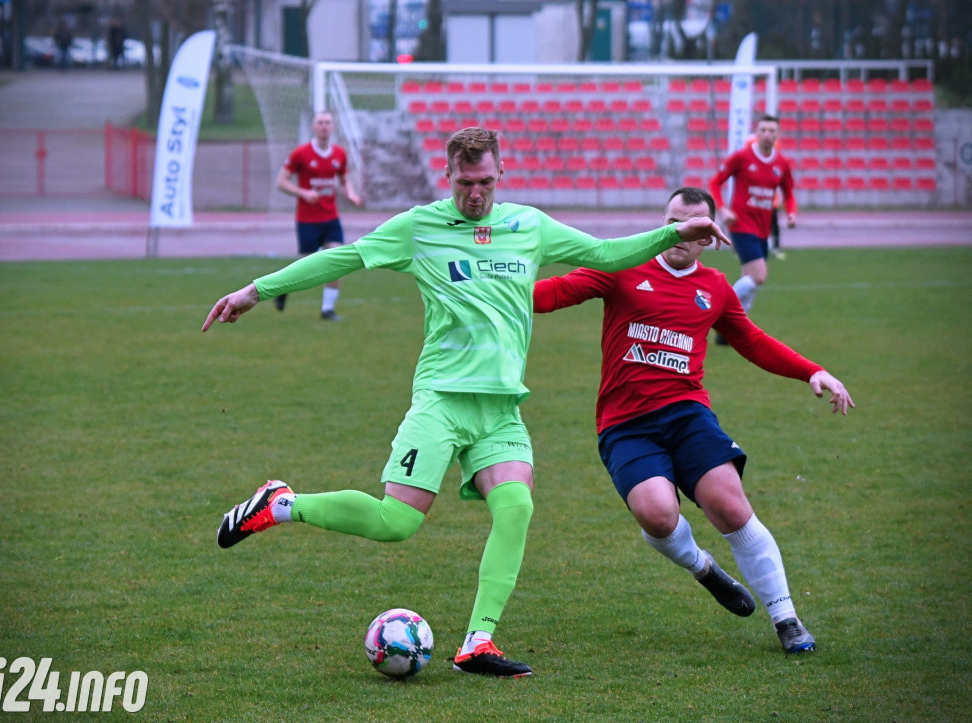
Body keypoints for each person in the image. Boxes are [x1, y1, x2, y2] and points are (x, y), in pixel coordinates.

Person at [202, 129, 730, 678]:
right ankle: (281, 503)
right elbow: (345, 258)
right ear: (448, 175)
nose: (475, 194)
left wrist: (674, 231)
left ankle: (478, 642)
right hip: (442, 399)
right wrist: (256, 291)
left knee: (516, 507)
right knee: (396, 522)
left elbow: (603, 253)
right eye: (464, 183)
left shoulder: (528, 225)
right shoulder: (420, 227)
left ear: (500, 174)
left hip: (500, 407)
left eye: (484, 182)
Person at [533, 186, 854, 654]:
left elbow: (752, 342)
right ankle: (703, 567)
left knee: (730, 506)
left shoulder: (715, 288)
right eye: (671, 222)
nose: (678, 232)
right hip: (626, 423)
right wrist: (493, 286)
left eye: (690, 226)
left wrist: (812, 370)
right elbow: (552, 294)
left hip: (687, 415)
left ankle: (786, 618)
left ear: (709, 236)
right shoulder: (623, 265)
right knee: (657, 514)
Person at [709, 115, 797, 342]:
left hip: (762, 231)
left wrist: (791, 212)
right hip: (741, 225)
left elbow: (789, 193)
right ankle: (719, 315)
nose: (767, 134)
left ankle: (729, 332)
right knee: (759, 276)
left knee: (749, 281)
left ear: (777, 135)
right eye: (763, 130)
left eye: (771, 131)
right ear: (756, 133)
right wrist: (722, 210)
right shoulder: (742, 157)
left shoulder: (781, 164)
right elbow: (715, 182)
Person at [272, 110, 362, 320]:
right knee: (305, 268)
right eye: (320, 122)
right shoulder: (301, 153)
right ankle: (282, 288)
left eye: (327, 123)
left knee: (338, 260)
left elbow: (344, 180)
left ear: (333, 127)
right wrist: (303, 192)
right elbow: (281, 182)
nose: (324, 126)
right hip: (307, 220)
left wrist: (350, 193)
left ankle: (327, 309)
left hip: (331, 218)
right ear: (313, 127)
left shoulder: (339, 154)